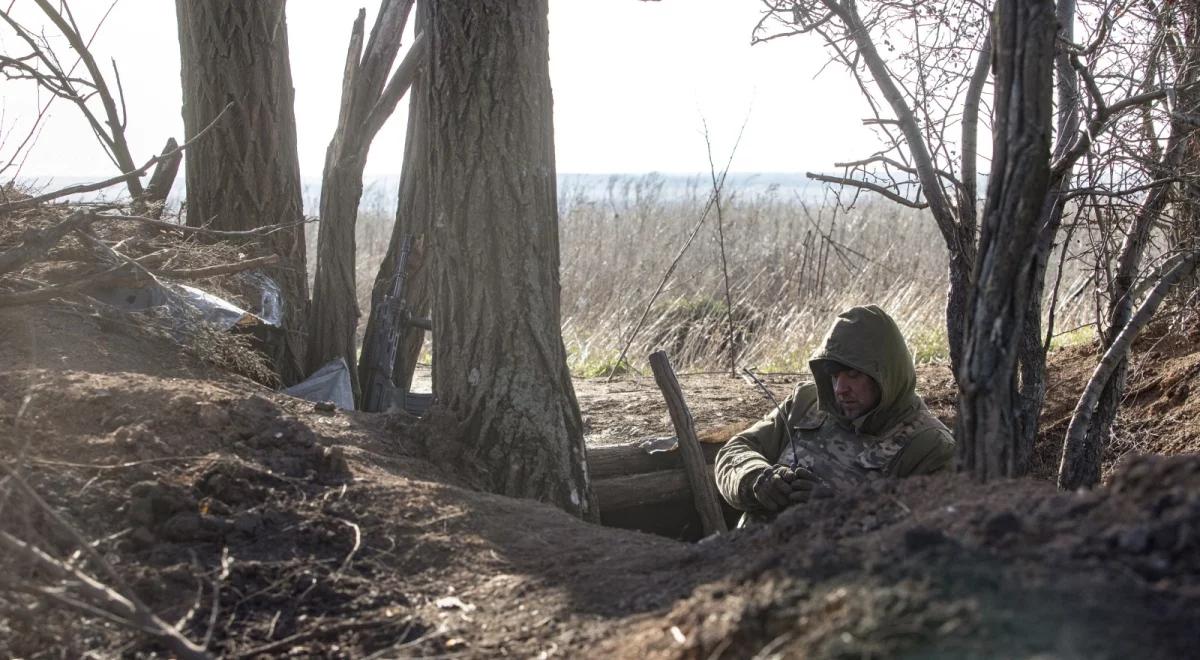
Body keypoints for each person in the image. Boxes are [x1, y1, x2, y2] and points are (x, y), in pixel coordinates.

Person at [715, 305, 955, 526]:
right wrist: (756, 478)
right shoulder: (807, 401)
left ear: (885, 376)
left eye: (853, 374)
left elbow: (931, 532)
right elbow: (735, 449)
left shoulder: (929, 446)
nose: (840, 388)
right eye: (834, 374)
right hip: (744, 559)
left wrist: (841, 509)